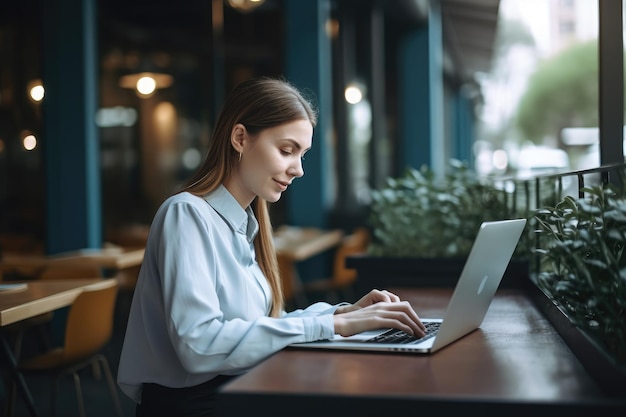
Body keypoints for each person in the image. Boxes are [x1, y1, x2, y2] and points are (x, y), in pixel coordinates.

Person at [117, 76, 426, 417]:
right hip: (195, 405)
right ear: (240, 138)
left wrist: (342, 314)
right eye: (286, 150)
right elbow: (199, 344)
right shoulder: (187, 214)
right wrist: (333, 327)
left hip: (238, 389)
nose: (299, 169)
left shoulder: (244, 225)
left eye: (302, 154)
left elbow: (256, 327)